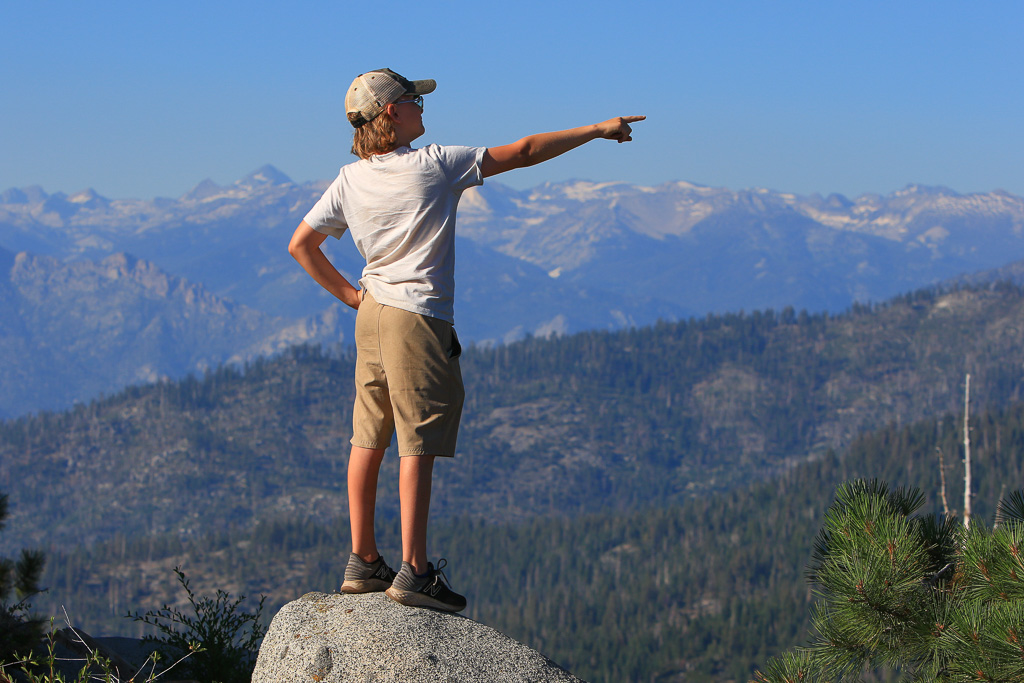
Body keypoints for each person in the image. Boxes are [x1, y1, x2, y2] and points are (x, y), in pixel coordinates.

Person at [289, 68, 644, 612]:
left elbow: (302, 245)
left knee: (368, 438)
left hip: (373, 315)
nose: (422, 108)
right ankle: (414, 570)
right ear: (391, 113)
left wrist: (351, 296)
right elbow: (523, 151)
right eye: (413, 100)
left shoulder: (349, 179)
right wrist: (596, 130)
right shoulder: (435, 164)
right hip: (417, 319)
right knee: (418, 442)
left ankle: (362, 561)